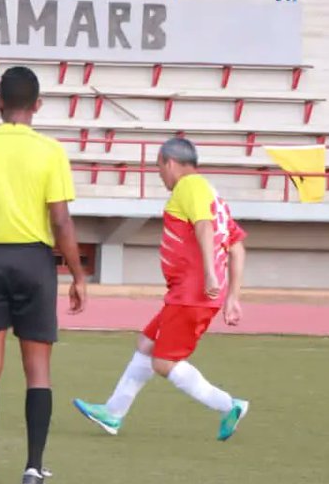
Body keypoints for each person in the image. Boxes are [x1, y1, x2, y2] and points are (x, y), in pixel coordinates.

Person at [0, 66, 87, 484]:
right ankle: (33, 471)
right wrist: (78, 273)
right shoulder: (51, 152)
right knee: (37, 371)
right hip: (34, 260)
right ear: (38, 105)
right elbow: (60, 219)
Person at [72, 138, 250, 442]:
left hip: (191, 294)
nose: (160, 175)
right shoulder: (214, 198)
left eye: (158, 168)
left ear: (169, 162)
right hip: (191, 294)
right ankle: (113, 413)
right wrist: (232, 295)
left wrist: (209, 274)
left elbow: (204, 228)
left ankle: (229, 405)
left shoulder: (190, 187)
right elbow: (237, 247)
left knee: (164, 362)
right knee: (146, 344)